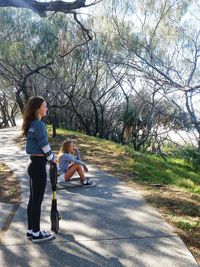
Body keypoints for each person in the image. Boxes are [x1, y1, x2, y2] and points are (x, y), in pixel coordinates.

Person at [22, 96, 55, 243]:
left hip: (33, 164)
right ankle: (36, 233)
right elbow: (44, 145)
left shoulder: (32, 124)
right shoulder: (39, 125)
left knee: (32, 200)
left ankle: (31, 230)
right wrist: (52, 159)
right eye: (44, 106)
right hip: (38, 165)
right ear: (37, 108)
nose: (46, 108)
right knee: (37, 201)